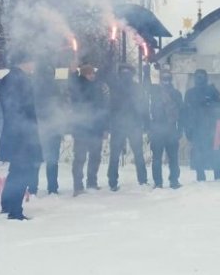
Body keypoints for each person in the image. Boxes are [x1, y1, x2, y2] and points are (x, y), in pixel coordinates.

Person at [0, 50, 43, 220]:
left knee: (16, 170)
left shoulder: (13, 78)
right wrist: (26, 131)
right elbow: (15, 109)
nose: (34, 66)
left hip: (18, 134)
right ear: (25, 62)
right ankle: (15, 210)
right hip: (21, 136)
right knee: (23, 171)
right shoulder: (17, 79)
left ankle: (8, 205)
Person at [69, 64, 109, 196]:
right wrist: (73, 73)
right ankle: (78, 186)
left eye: (93, 73)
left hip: (96, 128)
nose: (92, 75)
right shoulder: (78, 86)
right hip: (81, 128)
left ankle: (92, 182)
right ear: (84, 75)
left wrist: (104, 128)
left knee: (95, 157)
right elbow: (73, 87)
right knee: (80, 157)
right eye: (89, 73)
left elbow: (103, 108)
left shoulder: (98, 87)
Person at [106, 64, 148, 191]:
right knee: (115, 155)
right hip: (118, 125)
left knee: (138, 154)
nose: (125, 74)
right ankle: (112, 182)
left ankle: (143, 181)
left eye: (128, 71)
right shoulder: (115, 86)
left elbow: (143, 105)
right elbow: (110, 106)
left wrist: (145, 122)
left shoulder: (137, 87)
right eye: (123, 71)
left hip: (133, 124)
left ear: (132, 73)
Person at [184, 69, 220, 181]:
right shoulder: (190, 93)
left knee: (215, 152)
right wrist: (188, 128)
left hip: (212, 127)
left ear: (206, 77)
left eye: (202, 76)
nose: (200, 78)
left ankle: (218, 177)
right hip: (196, 127)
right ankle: (200, 177)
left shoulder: (213, 91)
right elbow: (186, 111)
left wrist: (210, 103)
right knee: (198, 153)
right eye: (198, 76)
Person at [148, 67, 183, 189]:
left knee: (173, 157)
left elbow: (181, 112)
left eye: (168, 78)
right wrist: (147, 70)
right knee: (157, 158)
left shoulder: (176, 93)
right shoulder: (155, 91)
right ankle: (158, 182)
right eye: (164, 78)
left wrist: (180, 129)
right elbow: (146, 86)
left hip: (171, 128)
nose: (166, 80)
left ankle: (174, 180)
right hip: (157, 128)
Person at [33, 61, 65, 194]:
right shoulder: (55, 87)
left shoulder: (35, 86)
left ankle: (33, 187)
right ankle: (52, 188)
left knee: (36, 160)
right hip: (49, 127)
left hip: (42, 127)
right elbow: (61, 107)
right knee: (51, 160)